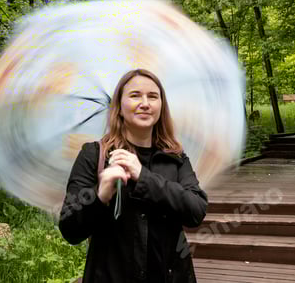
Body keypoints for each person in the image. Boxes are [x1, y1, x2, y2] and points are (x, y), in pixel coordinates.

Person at [59, 69, 208, 283]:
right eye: (135, 95)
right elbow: (70, 229)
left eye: (153, 96)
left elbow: (196, 210)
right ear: (119, 107)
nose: (145, 103)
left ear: (161, 107)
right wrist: (100, 196)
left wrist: (143, 176)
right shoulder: (93, 155)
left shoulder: (175, 157)